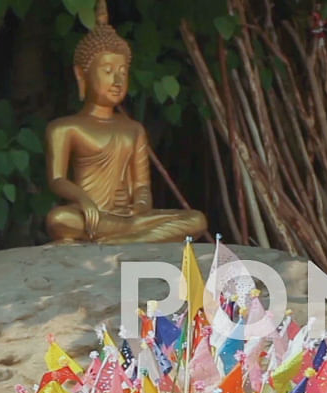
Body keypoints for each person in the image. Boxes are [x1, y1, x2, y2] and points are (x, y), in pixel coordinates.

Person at [44, 0, 206, 243]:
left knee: (197, 220)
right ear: (82, 75)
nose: (117, 80)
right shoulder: (65, 128)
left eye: (122, 71)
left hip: (128, 220)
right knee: (58, 219)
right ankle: (137, 238)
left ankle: (127, 240)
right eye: (108, 71)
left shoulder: (133, 129)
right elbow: (57, 180)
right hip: (89, 217)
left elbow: (141, 185)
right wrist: (83, 199)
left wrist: (140, 207)